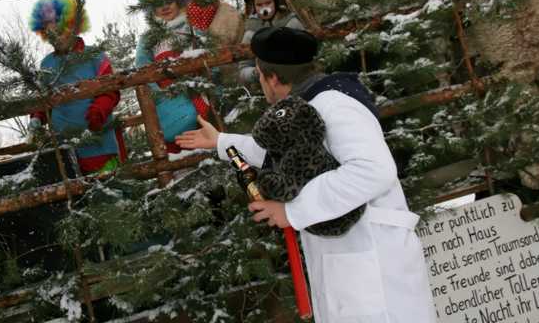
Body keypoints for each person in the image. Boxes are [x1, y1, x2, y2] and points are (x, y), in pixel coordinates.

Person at [176, 26, 436, 323]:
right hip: (354, 264)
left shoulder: (335, 105)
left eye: (260, 75)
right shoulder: (312, 105)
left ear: (272, 78)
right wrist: (221, 142)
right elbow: (291, 159)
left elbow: (373, 169)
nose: (261, 82)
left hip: (373, 263)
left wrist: (292, 211)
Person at [29, 0, 124, 174]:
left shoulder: (95, 55)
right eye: (50, 32)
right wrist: (36, 119)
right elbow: (42, 99)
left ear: (73, 26)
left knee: (110, 191)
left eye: (61, 29)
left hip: (100, 143)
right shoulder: (47, 64)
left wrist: (99, 110)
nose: (56, 36)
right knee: (78, 198)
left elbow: (111, 89)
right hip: (64, 150)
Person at [134, 0, 210, 152]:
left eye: (169, 1)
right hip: (167, 102)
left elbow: (208, 57)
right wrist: (161, 96)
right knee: (177, 151)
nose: (165, 7)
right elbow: (142, 71)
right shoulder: (148, 39)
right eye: (158, 4)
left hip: (199, 94)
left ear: (178, 1)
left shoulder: (192, 28)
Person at [238, 0, 305, 83]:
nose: (264, 8)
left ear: (275, 1)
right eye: (259, 5)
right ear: (254, 6)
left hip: (297, 81)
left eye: (268, 3)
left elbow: (308, 50)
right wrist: (255, 73)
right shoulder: (250, 34)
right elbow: (243, 68)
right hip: (268, 88)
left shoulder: (291, 23)